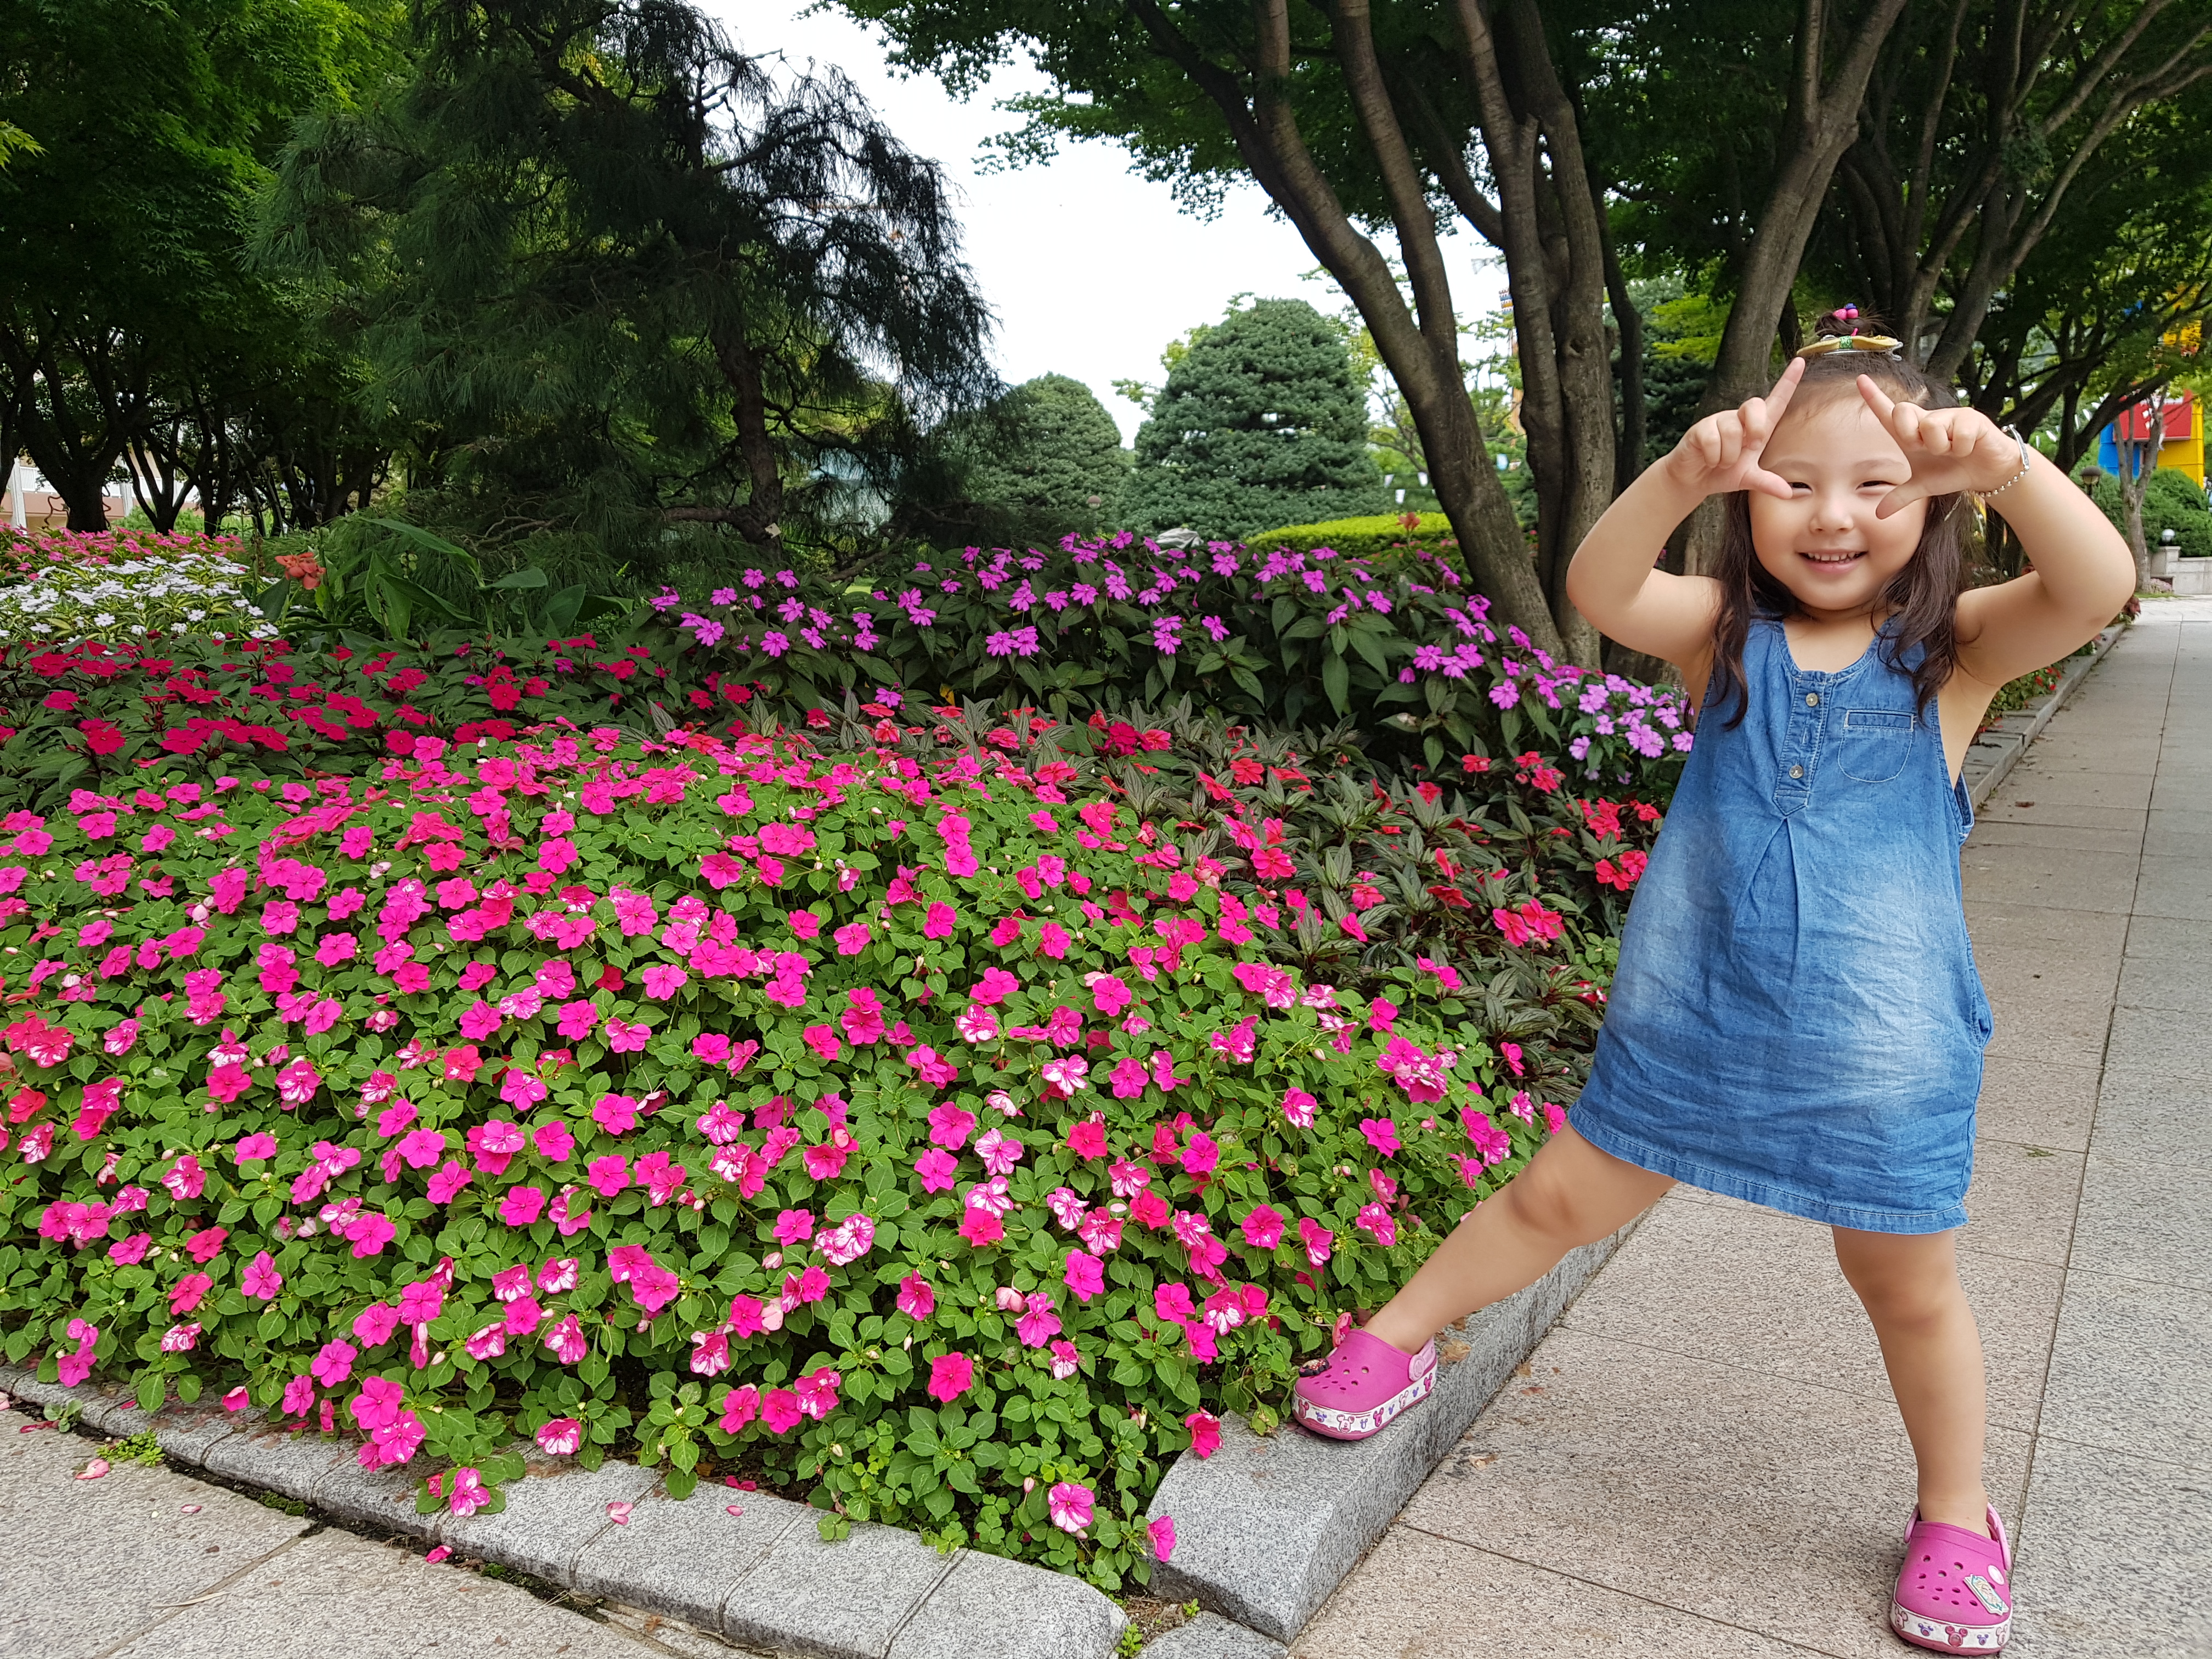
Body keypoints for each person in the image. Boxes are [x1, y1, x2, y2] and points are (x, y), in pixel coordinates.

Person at [1289, 309, 2134, 1655]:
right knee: (1558, 1193)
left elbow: (2095, 589)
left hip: (1882, 1056)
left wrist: (2006, 462)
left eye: (1882, 484)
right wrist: (1681, 473)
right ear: (1752, 500)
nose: (1835, 514)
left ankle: (1960, 1515)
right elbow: (1600, 586)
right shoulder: (1720, 636)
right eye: (1795, 481)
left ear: (1937, 503)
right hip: (1695, 1021)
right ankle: (1400, 1335)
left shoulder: (1954, 657)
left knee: (1908, 1285)